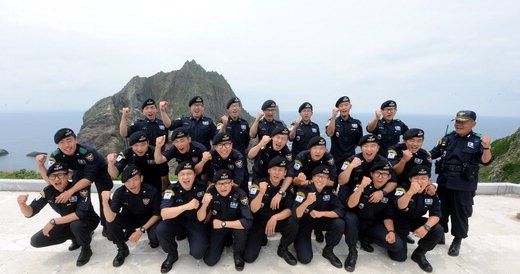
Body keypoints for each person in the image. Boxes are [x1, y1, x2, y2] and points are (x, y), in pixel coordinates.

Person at [430, 110, 493, 256]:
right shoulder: (448, 138)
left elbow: (486, 161)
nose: (459, 124)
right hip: (445, 181)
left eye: (463, 122)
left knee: (460, 214)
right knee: (441, 210)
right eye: (457, 121)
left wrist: (486, 147)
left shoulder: (479, 141)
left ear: (473, 124)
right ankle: (440, 235)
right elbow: (433, 153)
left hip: (463, 184)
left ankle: (457, 240)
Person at [18, 163, 99, 267]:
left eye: (60, 175)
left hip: (88, 221)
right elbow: (30, 212)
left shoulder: (79, 188)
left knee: (76, 225)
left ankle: (86, 248)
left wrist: (53, 221)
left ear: (68, 175)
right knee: (36, 241)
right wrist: (22, 204)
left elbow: (81, 214)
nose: (56, 179)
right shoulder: (48, 191)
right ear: (49, 178)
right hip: (67, 222)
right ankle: (75, 238)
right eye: (52, 176)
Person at [37, 128, 114, 233]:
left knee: (104, 196)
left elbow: (88, 179)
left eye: (69, 140)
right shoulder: (56, 156)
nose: (67, 145)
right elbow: (52, 181)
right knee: (82, 197)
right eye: (62, 142)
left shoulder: (88, 152)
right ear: (58, 145)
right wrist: (41, 166)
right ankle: (89, 224)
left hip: (100, 170)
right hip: (79, 171)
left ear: (76, 140)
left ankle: (107, 226)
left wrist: (69, 191)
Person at [341, 161, 405, 272]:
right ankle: (352, 251)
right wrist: (361, 187)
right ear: (371, 174)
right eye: (377, 173)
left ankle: (367, 237)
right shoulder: (361, 184)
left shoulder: (389, 191)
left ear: (389, 177)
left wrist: (391, 231)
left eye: (385, 174)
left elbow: (388, 215)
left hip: (374, 224)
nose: (380, 177)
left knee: (397, 246)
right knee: (350, 218)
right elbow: (350, 204)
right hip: (357, 222)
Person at [100, 165, 161, 267]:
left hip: (148, 218)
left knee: (155, 240)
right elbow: (110, 218)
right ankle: (122, 249)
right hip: (130, 217)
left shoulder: (151, 191)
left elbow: (157, 214)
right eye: (127, 181)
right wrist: (104, 201)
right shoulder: (120, 192)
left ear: (141, 178)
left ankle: (149, 235)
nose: (132, 184)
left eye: (135, 180)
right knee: (110, 223)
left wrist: (141, 230)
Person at [244, 156, 299, 266]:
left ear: (285, 173)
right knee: (249, 258)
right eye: (274, 169)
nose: (277, 173)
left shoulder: (286, 187)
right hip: (259, 221)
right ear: (269, 170)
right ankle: (262, 237)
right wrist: (261, 193)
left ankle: (283, 248)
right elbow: (253, 209)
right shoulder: (258, 183)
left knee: (294, 221)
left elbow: (290, 210)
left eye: (280, 170)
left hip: (277, 220)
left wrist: (275, 218)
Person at [156, 161, 208, 273]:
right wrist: (187, 206)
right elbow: (164, 213)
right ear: (178, 176)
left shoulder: (202, 187)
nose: (186, 177)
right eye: (182, 174)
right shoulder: (171, 189)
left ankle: (191, 237)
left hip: (195, 222)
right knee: (161, 229)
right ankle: (172, 254)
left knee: (198, 253)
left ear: (194, 175)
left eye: (189, 173)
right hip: (177, 221)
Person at [198, 169, 253, 271]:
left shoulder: (240, 193)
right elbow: (200, 218)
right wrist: (205, 204)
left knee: (241, 232)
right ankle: (224, 240)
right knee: (210, 261)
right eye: (219, 184)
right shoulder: (211, 193)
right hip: (218, 228)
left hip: (233, 225)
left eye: (227, 183)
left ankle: (237, 254)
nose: (223, 187)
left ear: (232, 182)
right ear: (214, 184)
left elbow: (248, 222)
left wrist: (223, 224)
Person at [293, 165, 345, 268]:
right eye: (318, 176)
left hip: (321, 221)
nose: (321, 179)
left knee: (340, 223)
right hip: (305, 223)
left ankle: (328, 250)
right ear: (312, 178)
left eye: (325, 177)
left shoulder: (329, 191)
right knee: (305, 259)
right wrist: (307, 202)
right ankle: (298, 241)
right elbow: (296, 214)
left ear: (328, 180)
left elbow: (340, 211)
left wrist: (322, 214)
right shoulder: (303, 190)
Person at [394, 165, 444, 272]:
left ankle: (419, 254)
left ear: (429, 180)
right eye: (416, 178)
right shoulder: (402, 188)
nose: (420, 181)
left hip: (415, 220)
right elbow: (400, 206)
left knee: (438, 229)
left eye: (424, 178)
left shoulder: (430, 193)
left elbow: (436, 215)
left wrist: (426, 227)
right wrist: (410, 192)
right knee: (399, 257)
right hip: (399, 222)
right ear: (410, 179)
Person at [387, 128, 432, 244]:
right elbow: (394, 172)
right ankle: (392, 230)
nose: (415, 144)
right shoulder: (394, 150)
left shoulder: (424, 155)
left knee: (411, 210)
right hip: (394, 186)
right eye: (412, 140)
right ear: (405, 140)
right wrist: (404, 160)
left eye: (419, 140)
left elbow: (427, 176)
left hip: (413, 189)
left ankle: (405, 231)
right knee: (392, 211)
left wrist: (430, 186)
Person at [338, 134, 397, 203]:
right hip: (351, 194)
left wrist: (382, 192)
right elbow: (341, 181)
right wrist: (351, 167)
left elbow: (393, 182)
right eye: (366, 146)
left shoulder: (384, 162)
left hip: (372, 196)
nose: (369, 149)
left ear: (378, 148)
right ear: (361, 148)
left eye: (373, 146)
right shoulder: (351, 160)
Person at [248, 127, 294, 210]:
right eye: (278, 137)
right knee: (254, 206)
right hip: (259, 178)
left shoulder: (287, 153)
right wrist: (260, 144)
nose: (279, 141)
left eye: (283, 139)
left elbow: (290, 175)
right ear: (272, 137)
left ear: (287, 141)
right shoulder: (264, 144)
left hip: (275, 181)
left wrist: (280, 192)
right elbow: (250, 155)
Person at [326, 96, 363, 174]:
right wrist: (333, 117)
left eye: (346, 105)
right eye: (341, 106)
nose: (344, 108)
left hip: (350, 159)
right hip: (335, 159)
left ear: (350, 106)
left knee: (348, 183)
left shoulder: (356, 123)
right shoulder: (332, 121)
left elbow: (358, 142)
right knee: (333, 182)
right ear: (338, 108)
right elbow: (329, 133)